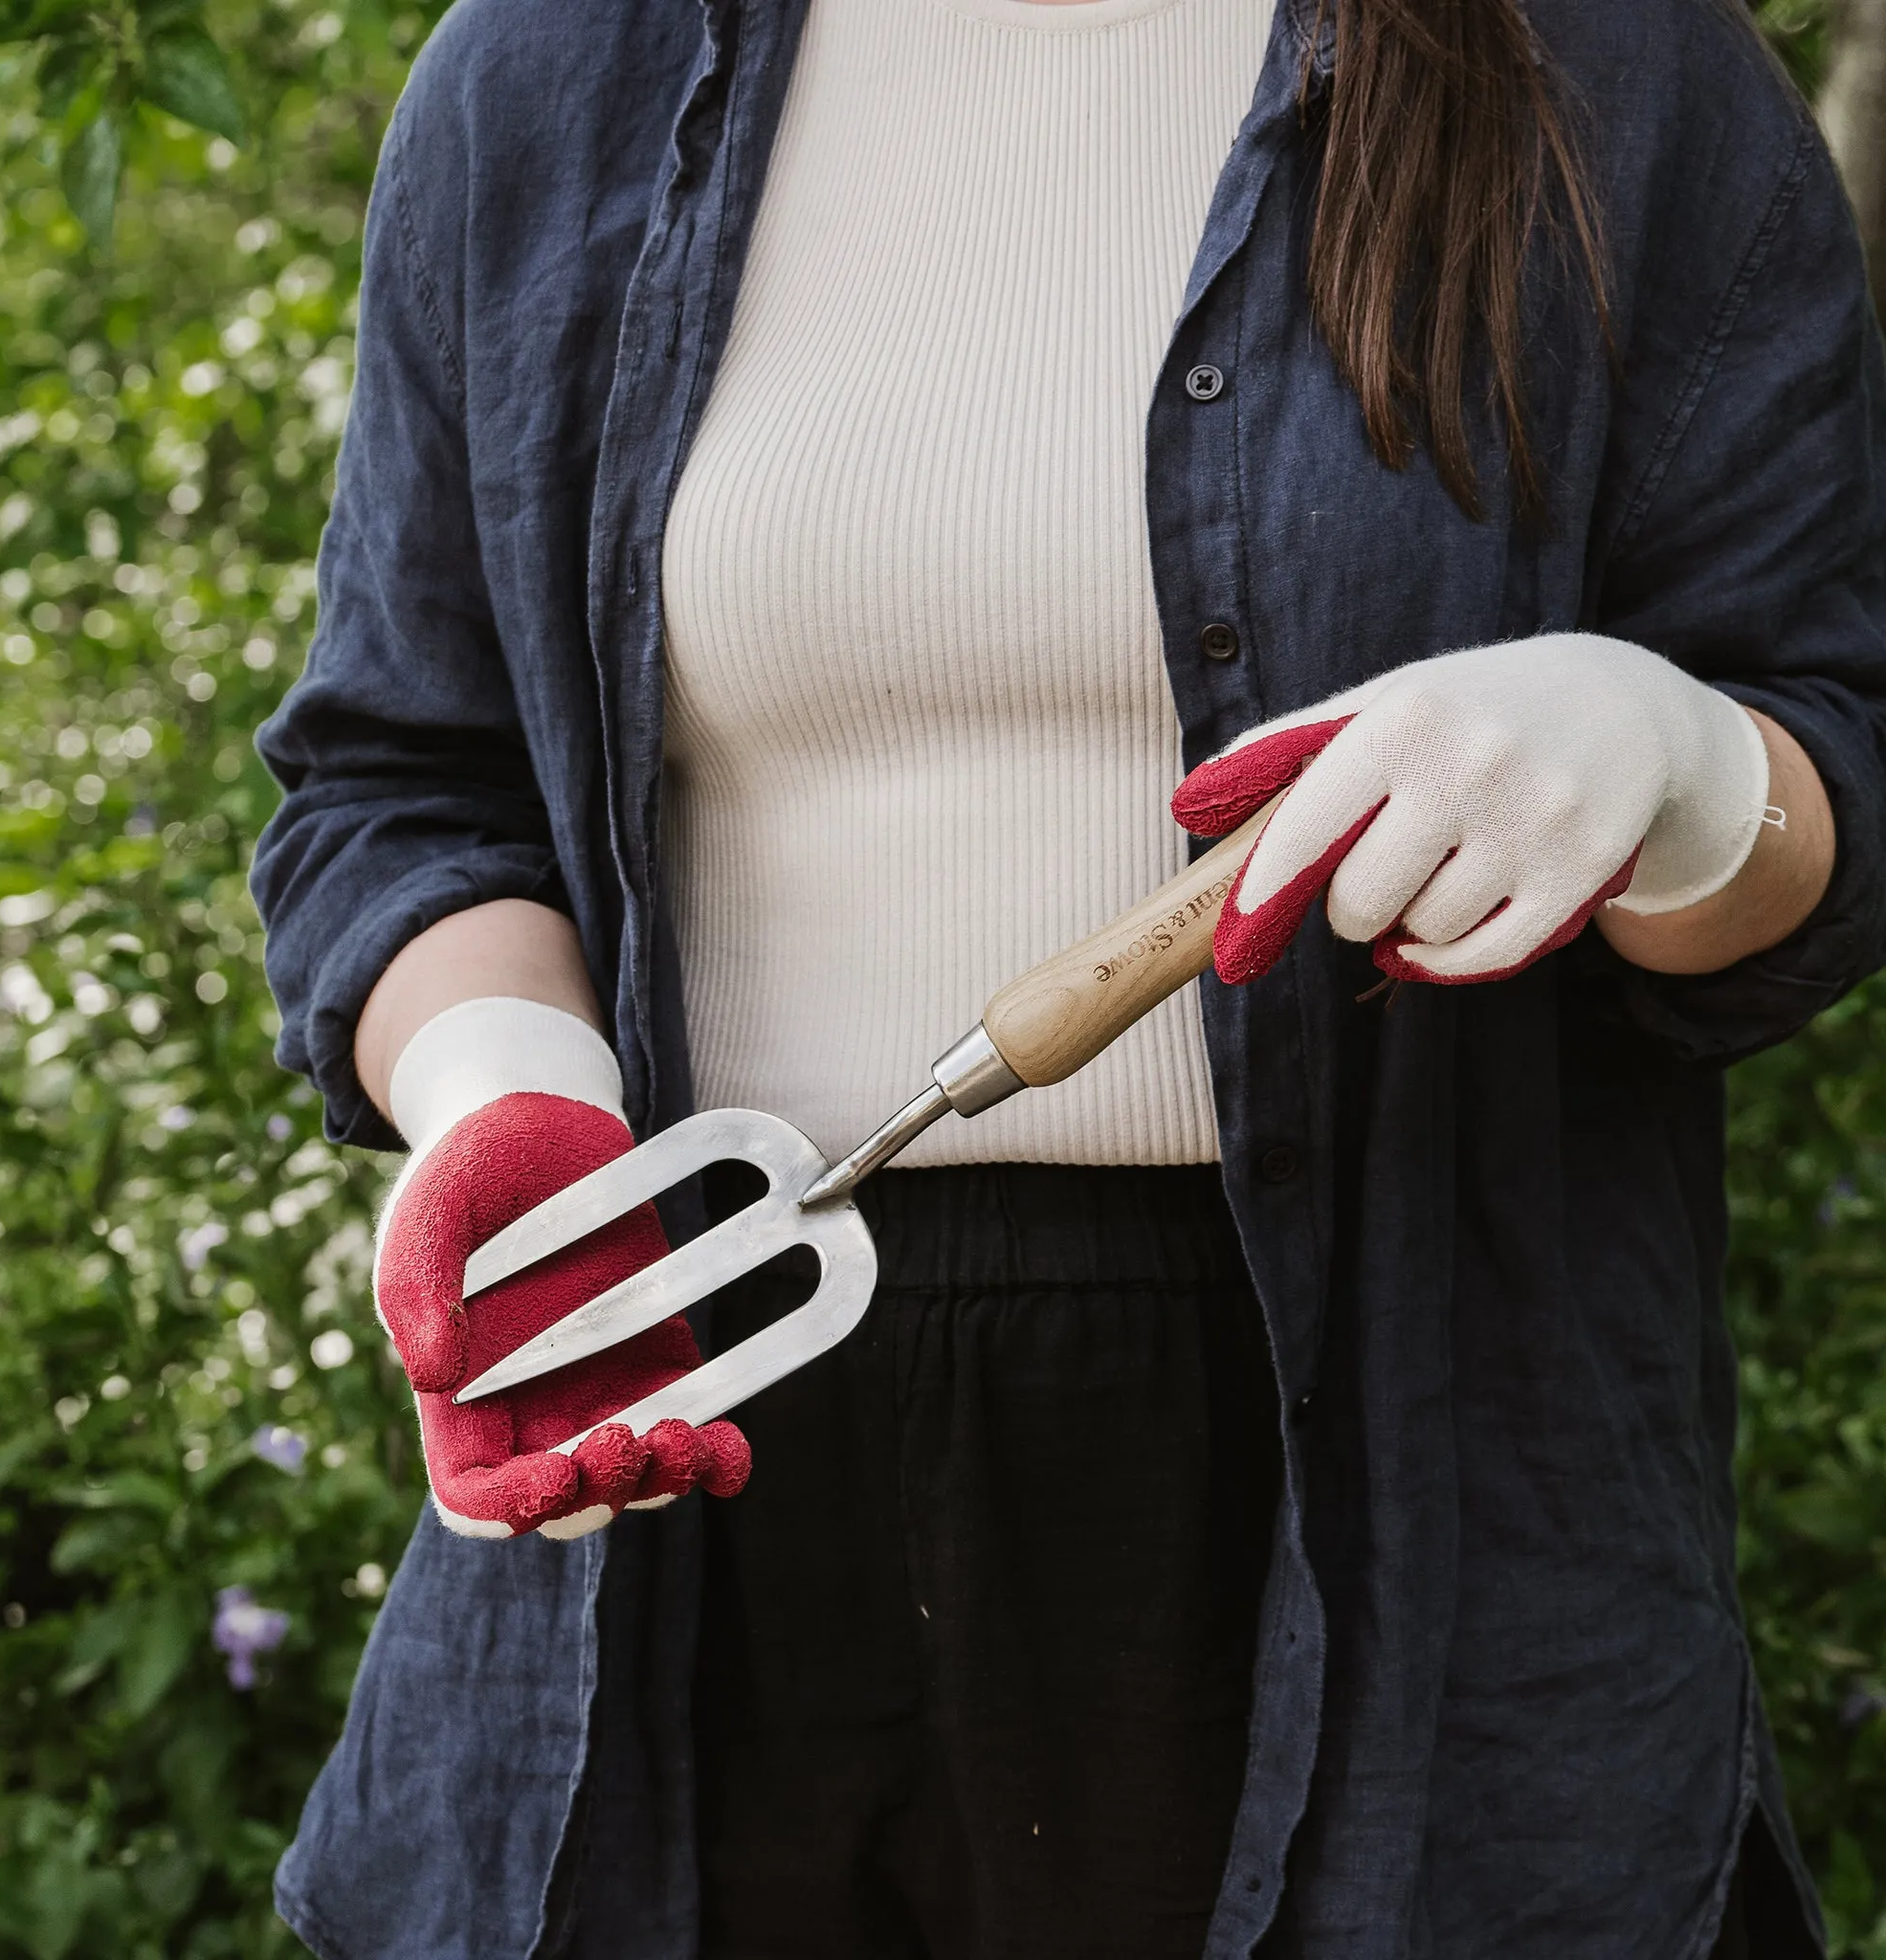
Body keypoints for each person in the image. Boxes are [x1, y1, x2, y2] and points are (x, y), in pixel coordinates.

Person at [248, 0, 1886, 1950]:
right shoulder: (543, 77)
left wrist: (1685, 774)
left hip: (1419, 1470)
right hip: (707, 1406)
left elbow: (1829, 774)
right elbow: (399, 786)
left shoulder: (1611, 71)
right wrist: (505, 1085)